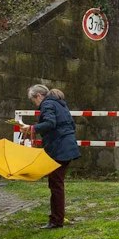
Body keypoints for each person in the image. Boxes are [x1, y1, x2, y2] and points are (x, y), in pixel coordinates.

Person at [29, 83, 81, 228]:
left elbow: (50, 123)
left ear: (38, 96)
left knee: (56, 184)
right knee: (57, 183)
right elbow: (71, 125)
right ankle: (58, 217)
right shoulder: (60, 104)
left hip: (60, 149)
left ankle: (56, 220)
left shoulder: (47, 105)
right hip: (67, 146)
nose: (35, 104)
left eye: (34, 100)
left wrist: (32, 128)